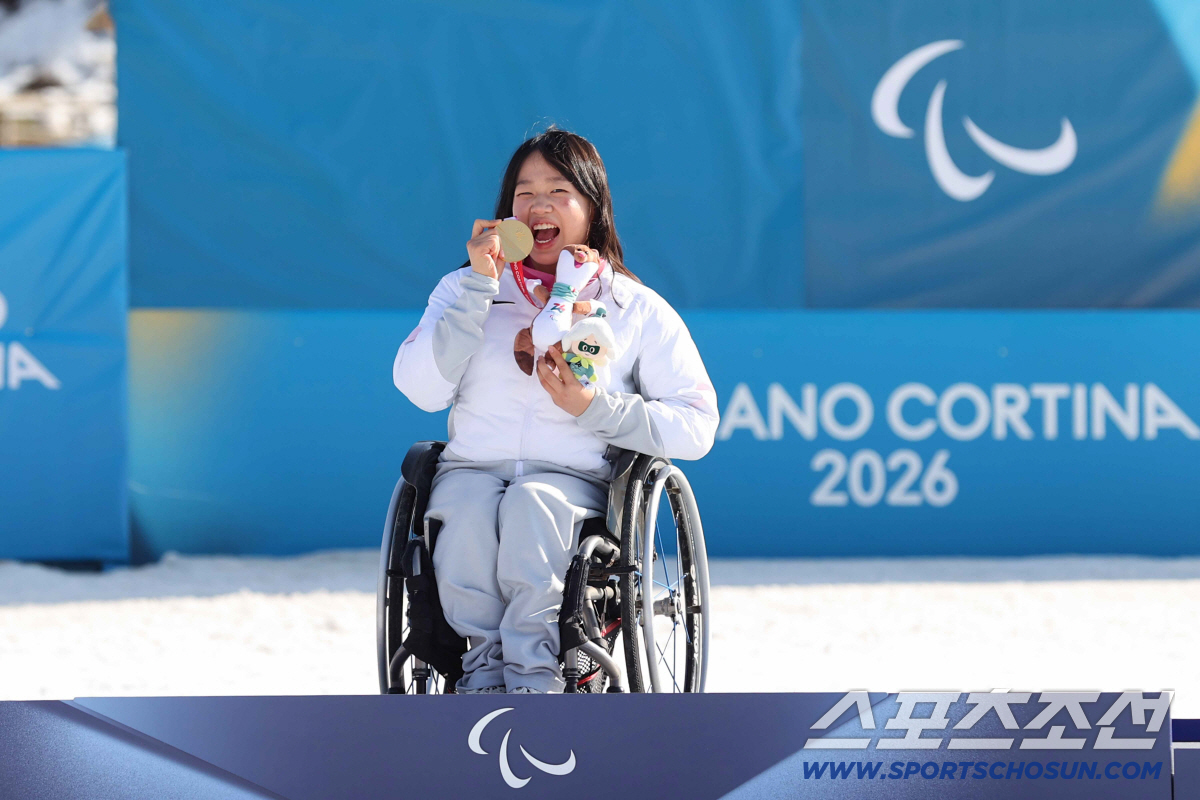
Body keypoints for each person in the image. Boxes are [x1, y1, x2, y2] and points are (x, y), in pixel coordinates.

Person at [392, 127, 718, 694]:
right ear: (507, 212)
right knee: (465, 511)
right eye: (524, 192)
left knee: (530, 501)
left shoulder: (630, 305)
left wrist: (596, 409)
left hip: (572, 484)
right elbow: (420, 389)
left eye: (559, 190)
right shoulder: (463, 288)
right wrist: (476, 290)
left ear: (593, 209)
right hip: (472, 468)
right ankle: (482, 672)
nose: (538, 204)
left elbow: (696, 422)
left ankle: (534, 674)